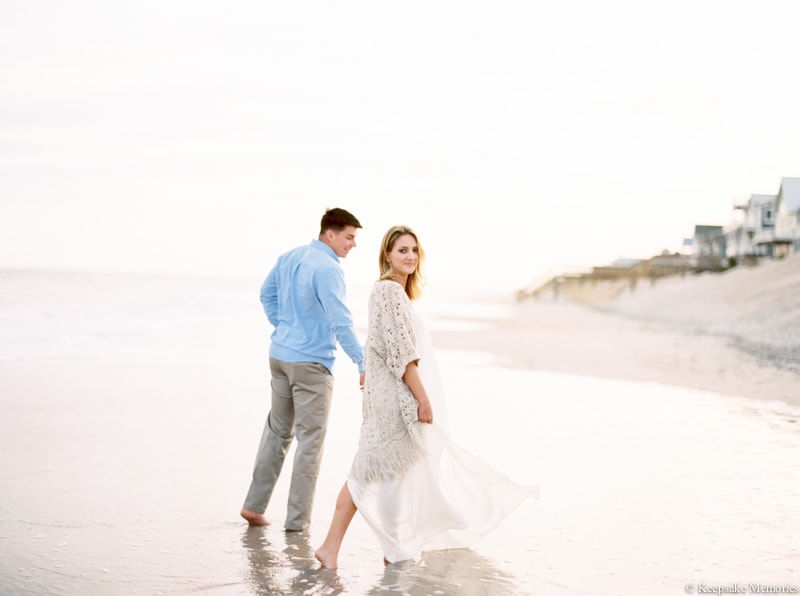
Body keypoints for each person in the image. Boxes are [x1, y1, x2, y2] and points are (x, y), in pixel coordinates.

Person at [314, 225, 537, 568]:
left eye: (414, 250)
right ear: (387, 255)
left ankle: (382, 548)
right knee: (372, 472)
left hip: (388, 395)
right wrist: (423, 398)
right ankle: (349, 548)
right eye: (402, 250)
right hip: (394, 401)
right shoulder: (389, 291)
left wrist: (369, 372)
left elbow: (379, 343)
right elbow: (401, 353)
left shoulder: (392, 292)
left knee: (384, 472)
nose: (410, 256)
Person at [240, 207, 366, 531]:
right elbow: (340, 321)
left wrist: (284, 326)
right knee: (310, 442)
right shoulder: (329, 268)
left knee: (277, 432)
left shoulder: (290, 257)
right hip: (311, 364)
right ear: (330, 235)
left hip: (280, 356)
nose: (353, 244)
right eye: (349, 237)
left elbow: (266, 294)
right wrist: (362, 360)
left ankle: (254, 506)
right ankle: (297, 524)